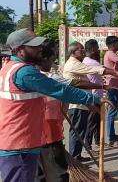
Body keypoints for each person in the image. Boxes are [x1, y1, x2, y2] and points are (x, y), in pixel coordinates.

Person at [0, 29, 108, 182]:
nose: (39, 49)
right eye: (33, 46)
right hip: (20, 144)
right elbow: (59, 89)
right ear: (19, 50)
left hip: (16, 141)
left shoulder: (8, 67)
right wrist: (93, 99)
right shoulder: (24, 72)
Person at [38, 41, 70, 182]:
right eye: (52, 59)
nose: (52, 63)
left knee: (41, 175)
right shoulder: (46, 78)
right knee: (57, 173)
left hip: (41, 133)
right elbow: (71, 86)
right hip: (48, 133)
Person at [82, 39, 104, 151]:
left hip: (96, 95)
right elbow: (104, 71)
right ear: (91, 49)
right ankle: (88, 144)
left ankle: (97, 141)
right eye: (96, 48)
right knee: (92, 122)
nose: (98, 50)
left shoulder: (86, 61)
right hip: (94, 96)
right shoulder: (91, 62)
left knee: (96, 121)